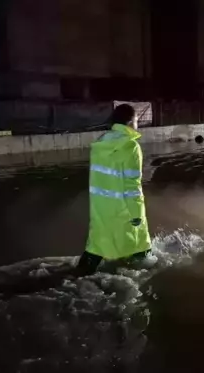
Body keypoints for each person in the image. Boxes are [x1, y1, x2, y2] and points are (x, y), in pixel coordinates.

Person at [75, 104, 151, 276]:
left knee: (97, 244)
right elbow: (132, 185)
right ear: (131, 122)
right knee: (139, 245)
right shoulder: (131, 147)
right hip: (123, 209)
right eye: (137, 120)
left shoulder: (101, 143)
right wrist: (137, 214)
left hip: (100, 208)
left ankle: (74, 276)